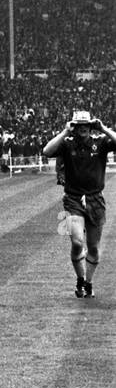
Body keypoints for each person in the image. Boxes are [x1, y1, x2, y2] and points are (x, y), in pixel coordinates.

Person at [42, 110, 116, 298]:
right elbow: (47, 151)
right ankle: (80, 279)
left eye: (86, 125)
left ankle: (88, 283)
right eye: (78, 125)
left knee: (93, 248)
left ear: (91, 126)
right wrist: (65, 131)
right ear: (74, 126)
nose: (82, 128)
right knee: (76, 242)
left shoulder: (100, 142)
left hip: (95, 200)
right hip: (73, 199)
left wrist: (104, 128)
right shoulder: (67, 144)